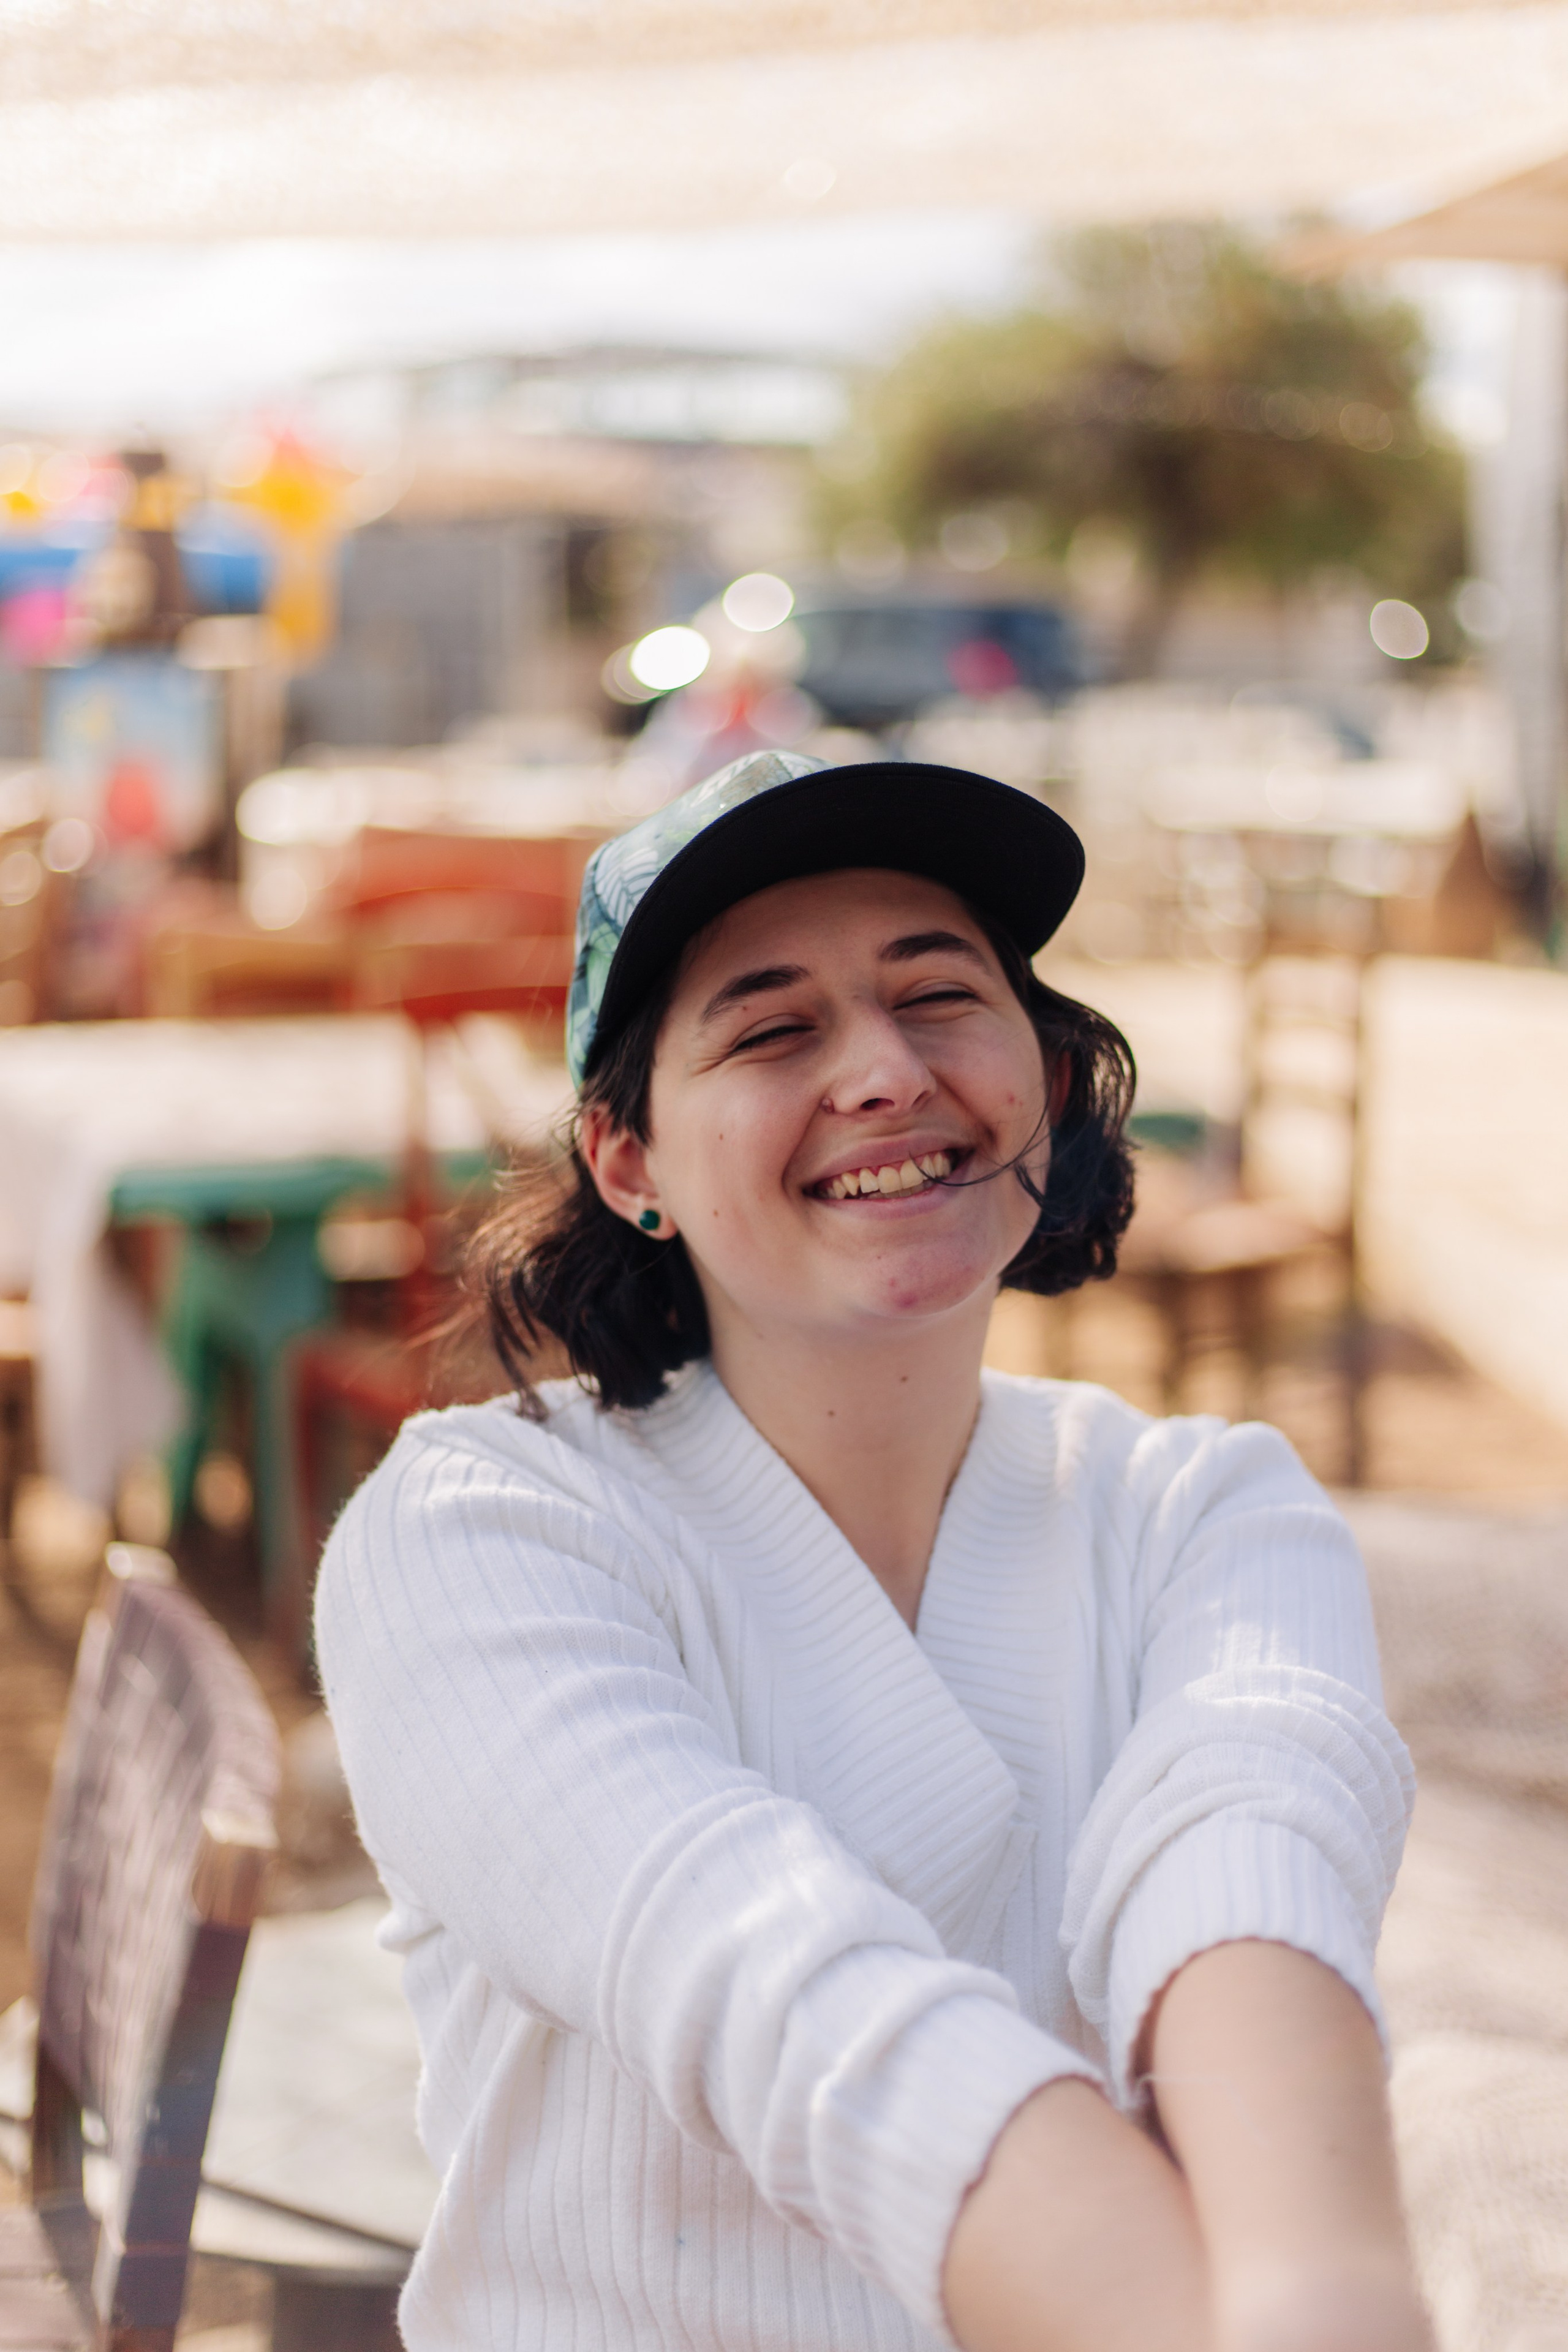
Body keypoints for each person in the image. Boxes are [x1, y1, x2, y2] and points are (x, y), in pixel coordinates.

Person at [316, 748, 1425, 2352]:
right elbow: (794, 2003)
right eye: (772, 1028)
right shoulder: (485, 1532)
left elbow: (1251, 1879)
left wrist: (1330, 2295)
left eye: (940, 996)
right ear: (627, 1162)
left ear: (1039, 1076)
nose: (886, 1073)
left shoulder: (1206, 1511)